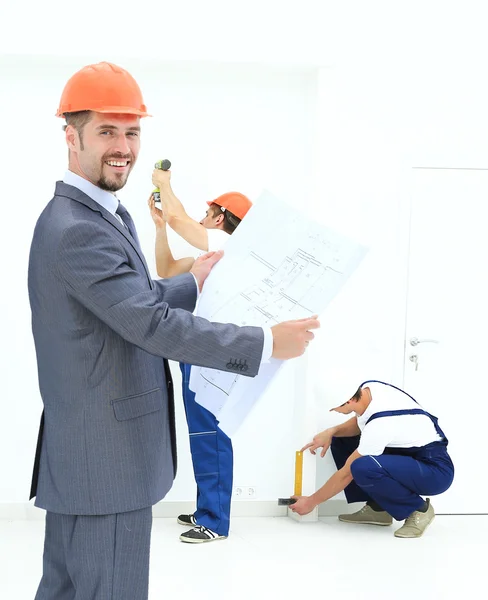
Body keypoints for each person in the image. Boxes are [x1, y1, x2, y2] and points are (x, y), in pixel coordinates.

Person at [28, 61, 320, 600]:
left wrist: (195, 280)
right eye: (107, 131)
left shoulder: (96, 214)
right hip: (107, 463)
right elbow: (152, 326)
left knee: (67, 591)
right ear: (71, 136)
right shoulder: (79, 229)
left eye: (132, 131)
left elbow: (125, 304)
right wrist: (265, 343)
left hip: (87, 459)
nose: (124, 146)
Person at [148, 173, 252, 543]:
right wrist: (160, 227)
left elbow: (181, 220)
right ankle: (207, 508)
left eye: (208, 212)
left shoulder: (231, 247)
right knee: (202, 432)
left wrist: (164, 183)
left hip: (214, 353)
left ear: (222, 217)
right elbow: (166, 270)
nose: (201, 217)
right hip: (197, 349)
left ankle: (214, 520)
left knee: (210, 432)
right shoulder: (212, 256)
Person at [291, 370, 454, 538]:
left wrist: (311, 502)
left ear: (349, 400)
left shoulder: (381, 425)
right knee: (341, 439)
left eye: (336, 408)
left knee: (361, 467)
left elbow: (346, 473)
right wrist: (332, 431)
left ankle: (419, 510)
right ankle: (378, 508)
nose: (335, 411)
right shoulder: (370, 389)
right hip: (411, 456)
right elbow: (363, 420)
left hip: (434, 471)